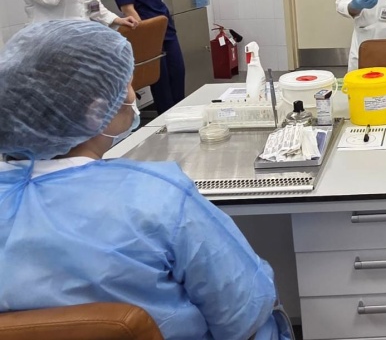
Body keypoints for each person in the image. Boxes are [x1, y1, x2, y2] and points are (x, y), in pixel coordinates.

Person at [0, 20, 289, 340]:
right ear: (96, 113)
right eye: (125, 85)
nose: (132, 94)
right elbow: (243, 313)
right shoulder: (157, 198)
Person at [110, 0, 185, 114]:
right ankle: (167, 118)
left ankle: (182, 114)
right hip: (150, 33)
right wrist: (146, 35)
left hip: (166, 29)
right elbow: (127, 8)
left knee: (177, 72)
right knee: (162, 81)